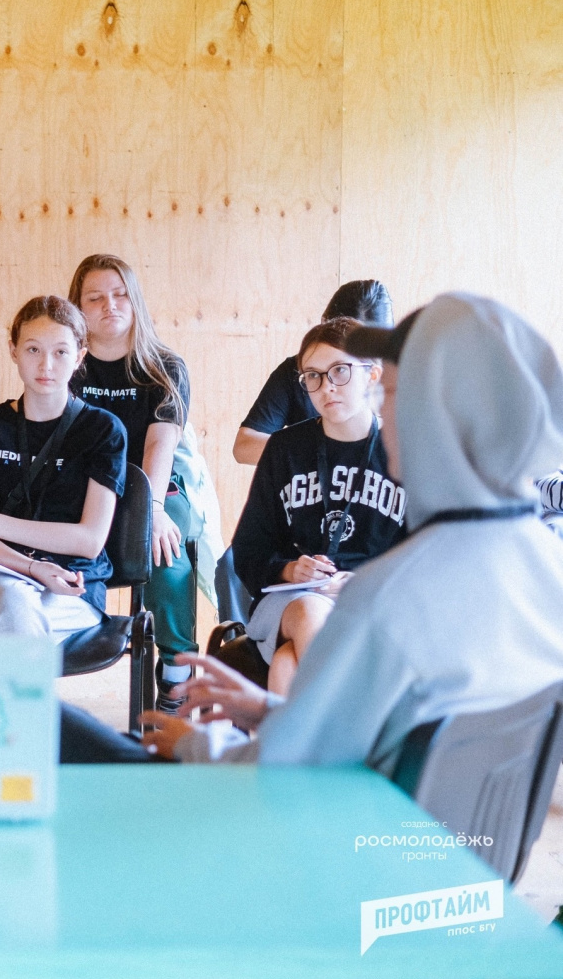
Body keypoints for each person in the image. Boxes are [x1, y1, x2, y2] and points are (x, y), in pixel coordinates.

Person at [140, 293, 563, 771]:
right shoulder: (546, 571)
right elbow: (378, 729)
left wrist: (192, 746)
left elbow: (305, 760)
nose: (383, 410)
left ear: (447, 413)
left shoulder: (390, 594)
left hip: (371, 810)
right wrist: (273, 712)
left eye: (397, 393)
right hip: (456, 816)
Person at [68, 254, 220, 712]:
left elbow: (160, 446)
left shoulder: (164, 366)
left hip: (154, 484)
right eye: (95, 298)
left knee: (164, 550)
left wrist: (151, 511)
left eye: (120, 295)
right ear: (78, 307)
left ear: (135, 301)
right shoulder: (67, 364)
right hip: (86, 483)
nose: (109, 305)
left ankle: (175, 674)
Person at [232, 317, 408, 695]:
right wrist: (290, 569)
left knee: (286, 666)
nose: (326, 386)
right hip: (294, 601)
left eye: (340, 371)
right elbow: (248, 550)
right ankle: (349, 719)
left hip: (376, 601)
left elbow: (423, 555)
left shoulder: (404, 448)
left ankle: (305, 731)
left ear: (372, 375)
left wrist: (364, 583)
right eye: (313, 376)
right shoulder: (284, 449)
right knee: (310, 610)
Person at [0, 295, 125, 638]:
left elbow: (89, 541)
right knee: (15, 603)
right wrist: (31, 567)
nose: (46, 365)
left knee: (3, 628)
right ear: (13, 351)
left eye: (61, 352)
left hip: (73, 584)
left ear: (79, 357)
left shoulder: (103, 430)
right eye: (33, 349)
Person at [233, 279, 394, 466]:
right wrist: (323, 450)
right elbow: (244, 446)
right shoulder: (298, 371)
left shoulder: (406, 375)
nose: (327, 385)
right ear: (324, 326)